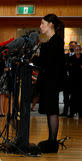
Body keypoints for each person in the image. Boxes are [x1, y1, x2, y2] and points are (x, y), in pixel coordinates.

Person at [35, 14, 65, 153]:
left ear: (50, 24)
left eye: (43, 23)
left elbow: (51, 64)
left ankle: (53, 143)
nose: (41, 26)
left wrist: (37, 60)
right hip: (49, 81)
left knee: (52, 111)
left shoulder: (56, 41)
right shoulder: (51, 41)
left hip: (52, 81)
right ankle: (50, 140)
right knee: (49, 110)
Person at [68, 44, 81, 118]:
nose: (77, 50)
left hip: (81, 81)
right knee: (73, 97)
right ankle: (72, 112)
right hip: (73, 81)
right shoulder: (71, 58)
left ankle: (80, 113)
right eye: (76, 49)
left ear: (80, 49)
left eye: (79, 49)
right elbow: (70, 69)